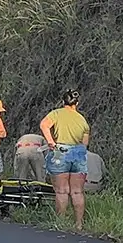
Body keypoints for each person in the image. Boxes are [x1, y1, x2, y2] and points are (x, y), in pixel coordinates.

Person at [40, 89, 91, 230]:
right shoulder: (82, 120)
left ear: (63, 102)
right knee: (77, 191)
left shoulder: (56, 114)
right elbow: (85, 143)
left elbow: (44, 124)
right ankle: (79, 224)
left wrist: (50, 142)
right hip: (78, 152)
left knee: (62, 191)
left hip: (60, 151)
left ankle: (60, 223)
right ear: (77, 103)